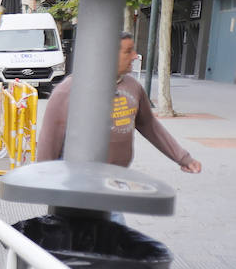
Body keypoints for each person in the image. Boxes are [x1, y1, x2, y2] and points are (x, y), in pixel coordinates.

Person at [38, 32, 201, 174]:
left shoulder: (133, 86)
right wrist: (45, 178)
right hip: (77, 179)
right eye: (128, 51)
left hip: (115, 178)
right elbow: (49, 139)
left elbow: (150, 126)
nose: (135, 56)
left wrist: (183, 158)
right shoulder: (69, 90)